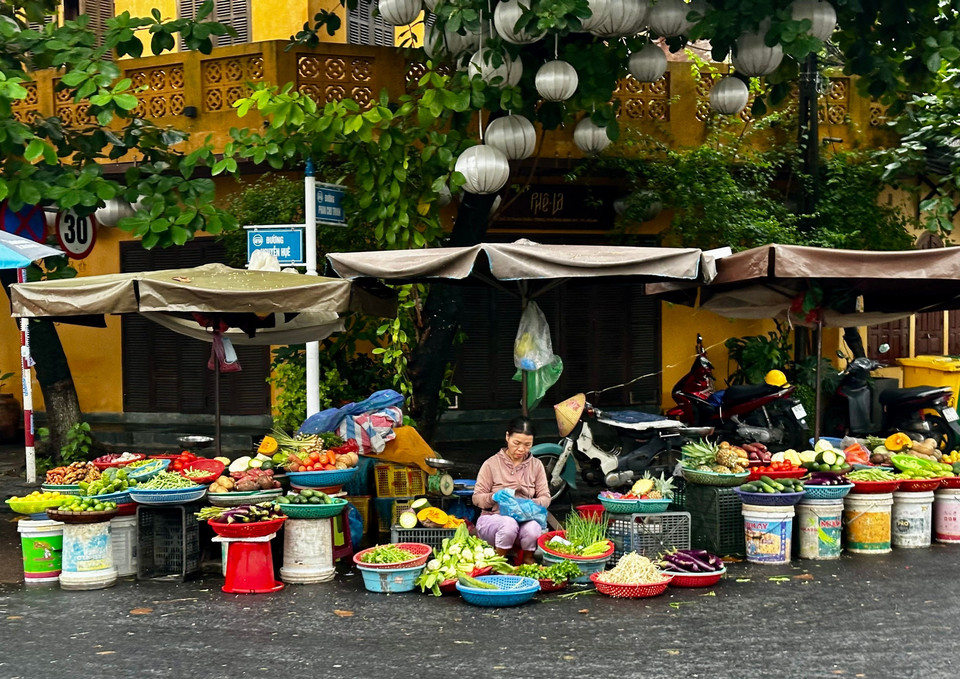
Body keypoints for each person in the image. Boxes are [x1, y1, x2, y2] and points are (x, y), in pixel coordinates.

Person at [472, 416, 551, 565]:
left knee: (534, 527)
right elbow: (476, 498)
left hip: (525, 519)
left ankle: (529, 560)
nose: (522, 449)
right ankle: (498, 562)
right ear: (507, 437)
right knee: (508, 524)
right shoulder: (491, 464)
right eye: (517, 443)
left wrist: (528, 504)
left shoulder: (536, 465)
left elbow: (546, 497)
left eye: (528, 444)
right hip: (493, 520)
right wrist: (494, 497)